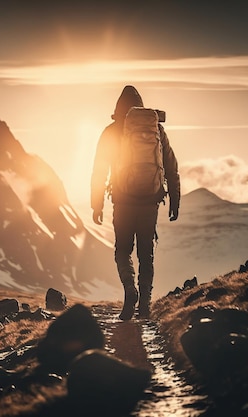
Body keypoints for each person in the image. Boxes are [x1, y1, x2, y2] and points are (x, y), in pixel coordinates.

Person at [91, 85, 180, 320]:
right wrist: (175, 200)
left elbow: (98, 171)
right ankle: (145, 307)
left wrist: (96, 204)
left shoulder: (111, 131)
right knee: (146, 254)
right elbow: (171, 166)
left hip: (122, 201)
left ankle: (130, 290)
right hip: (150, 201)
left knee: (123, 252)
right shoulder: (156, 130)